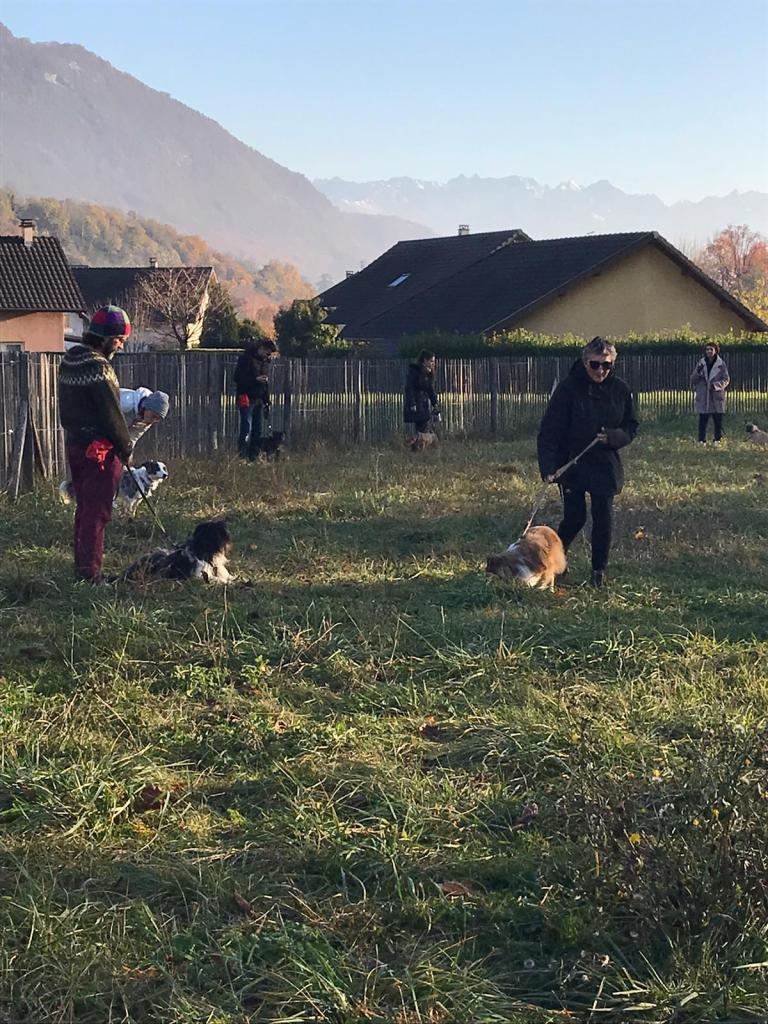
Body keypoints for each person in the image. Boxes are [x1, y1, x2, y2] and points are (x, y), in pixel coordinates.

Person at [537, 336, 638, 588]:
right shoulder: (568, 389)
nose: (601, 370)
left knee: (603, 517)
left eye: (606, 365)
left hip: (604, 463)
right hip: (572, 463)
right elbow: (549, 431)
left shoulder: (620, 390)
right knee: (575, 517)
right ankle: (553, 562)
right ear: (585, 363)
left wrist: (614, 437)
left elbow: (631, 426)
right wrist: (548, 467)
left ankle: (598, 572)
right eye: (595, 365)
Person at [58, 305, 134, 584]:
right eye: (119, 339)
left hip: (75, 444)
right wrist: (125, 448)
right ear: (105, 338)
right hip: (99, 451)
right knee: (98, 512)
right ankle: (91, 575)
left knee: (85, 509)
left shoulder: (70, 359)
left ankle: (82, 569)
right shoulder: (98, 366)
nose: (121, 345)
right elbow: (111, 414)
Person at [234, 338, 278, 458]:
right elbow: (237, 378)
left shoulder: (265, 362)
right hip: (246, 397)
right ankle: (242, 455)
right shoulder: (246, 359)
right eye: (267, 353)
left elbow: (265, 383)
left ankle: (253, 456)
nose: (268, 356)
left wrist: (266, 401)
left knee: (257, 430)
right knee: (246, 428)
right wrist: (255, 379)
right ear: (261, 348)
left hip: (258, 398)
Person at [691, 342, 730, 444]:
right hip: (704, 396)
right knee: (702, 420)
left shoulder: (721, 364)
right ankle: (701, 441)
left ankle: (717, 440)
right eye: (707, 349)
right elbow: (693, 379)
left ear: (716, 351)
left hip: (716, 396)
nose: (709, 351)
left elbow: (726, 379)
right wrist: (698, 372)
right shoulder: (701, 363)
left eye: (711, 349)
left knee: (717, 420)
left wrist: (716, 386)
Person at [404, 349, 440, 440]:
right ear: (425, 360)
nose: (433, 363)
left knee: (423, 430)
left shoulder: (428, 373)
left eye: (433, 361)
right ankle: (415, 446)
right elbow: (409, 388)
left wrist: (435, 404)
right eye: (431, 361)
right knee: (415, 433)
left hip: (423, 405)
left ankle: (421, 446)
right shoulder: (415, 371)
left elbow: (430, 390)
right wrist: (412, 403)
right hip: (415, 405)